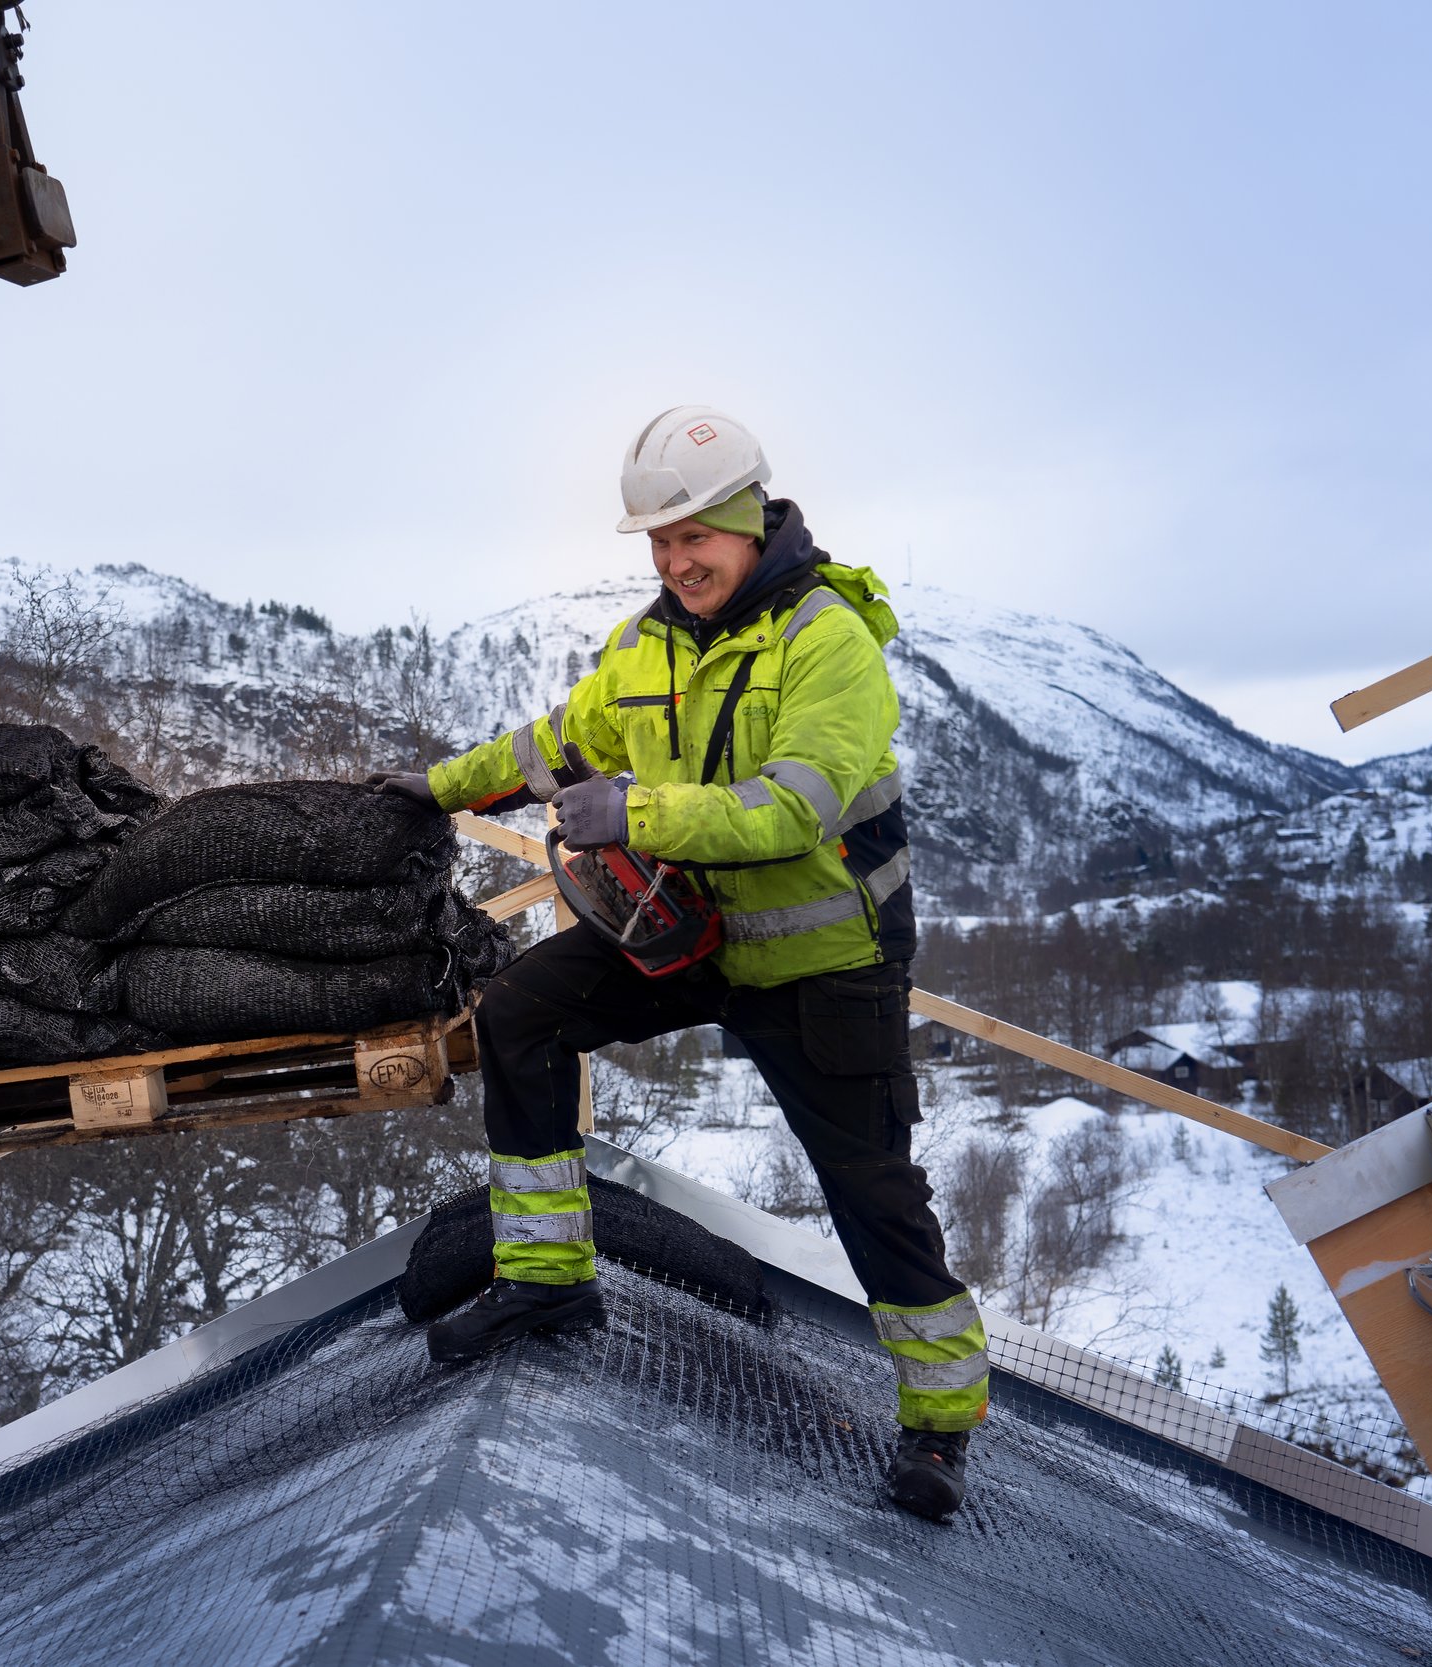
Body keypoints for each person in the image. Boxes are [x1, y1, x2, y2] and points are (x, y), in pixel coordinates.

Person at [368, 406, 985, 1522]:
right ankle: (547, 1282)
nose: (675, 561)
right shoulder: (647, 644)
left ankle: (939, 1427)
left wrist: (635, 807)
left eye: (693, 535)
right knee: (520, 1011)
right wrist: (435, 786)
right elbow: (554, 742)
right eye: (657, 542)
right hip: (691, 937)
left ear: (752, 518)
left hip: (823, 962)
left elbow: (796, 807)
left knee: (872, 1191)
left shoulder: (827, 641)